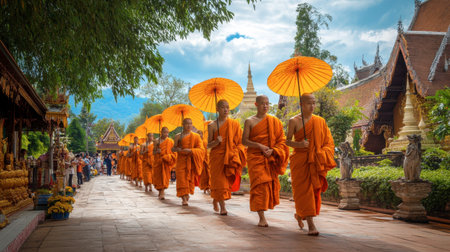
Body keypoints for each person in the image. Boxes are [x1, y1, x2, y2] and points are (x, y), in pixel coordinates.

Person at [286, 93, 336, 236]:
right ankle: (311, 224)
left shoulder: (320, 121)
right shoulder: (293, 121)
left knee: (312, 191)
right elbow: (287, 141)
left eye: (314, 103)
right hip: (300, 161)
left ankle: (300, 214)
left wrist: (321, 153)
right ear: (301, 104)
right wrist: (300, 144)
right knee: (304, 192)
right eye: (309, 103)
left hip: (315, 160)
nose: (312, 106)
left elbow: (329, 143)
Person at [242, 95, 289, 227]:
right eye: (262, 103)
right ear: (256, 105)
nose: (265, 106)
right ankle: (261, 217)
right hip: (255, 157)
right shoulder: (249, 121)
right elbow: (244, 141)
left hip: (270, 157)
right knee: (259, 186)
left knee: (267, 186)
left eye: (267, 103)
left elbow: (282, 141)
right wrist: (260, 146)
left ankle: (263, 212)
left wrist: (273, 150)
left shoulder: (275, 121)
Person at [207, 99, 246, 215]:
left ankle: (216, 198)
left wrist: (236, 151)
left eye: (227, 107)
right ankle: (223, 207)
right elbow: (208, 144)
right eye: (223, 107)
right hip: (217, 157)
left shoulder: (234, 124)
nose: (226, 110)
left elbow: (240, 142)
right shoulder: (212, 125)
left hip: (230, 157)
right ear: (217, 109)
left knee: (225, 183)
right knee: (220, 182)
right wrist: (216, 142)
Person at [172, 118, 205, 206]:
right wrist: (177, 149)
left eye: (190, 124)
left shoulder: (196, 136)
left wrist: (190, 150)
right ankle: (183, 198)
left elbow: (201, 150)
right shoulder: (178, 136)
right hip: (181, 161)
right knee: (182, 179)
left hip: (191, 161)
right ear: (183, 125)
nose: (189, 125)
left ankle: (186, 194)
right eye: (187, 124)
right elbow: (173, 148)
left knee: (189, 179)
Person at [153, 127, 177, 200]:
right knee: (159, 177)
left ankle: (162, 192)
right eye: (164, 132)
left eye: (167, 132)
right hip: (158, 162)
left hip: (166, 161)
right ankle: (160, 191)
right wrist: (157, 151)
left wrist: (169, 156)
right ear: (161, 132)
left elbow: (174, 152)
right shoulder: (156, 141)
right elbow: (153, 152)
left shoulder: (170, 141)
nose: (166, 134)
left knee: (165, 177)